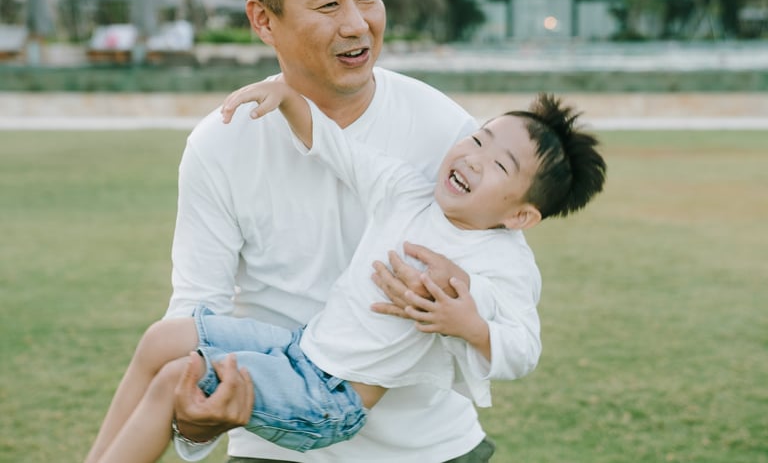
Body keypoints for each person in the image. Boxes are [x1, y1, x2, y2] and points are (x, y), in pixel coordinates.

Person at [83, 80, 607, 463]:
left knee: (181, 373)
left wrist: (465, 322)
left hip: (333, 399)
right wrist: (288, 98)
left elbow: (524, 349)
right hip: (300, 350)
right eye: (478, 139)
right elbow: (343, 152)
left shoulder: (501, 259)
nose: (473, 158)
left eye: (499, 165)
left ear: (520, 215)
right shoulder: (409, 193)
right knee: (161, 341)